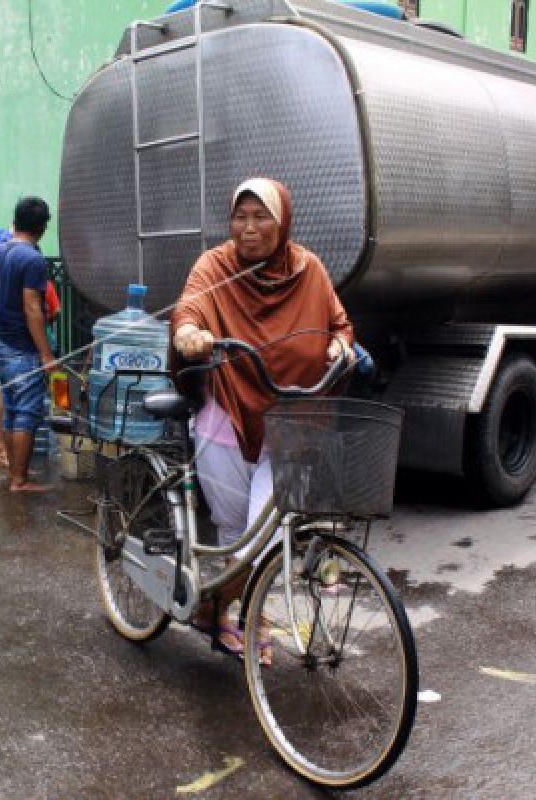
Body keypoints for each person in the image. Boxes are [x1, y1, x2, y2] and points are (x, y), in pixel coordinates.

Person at [171, 178, 354, 658]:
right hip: (228, 418)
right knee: (235, 533)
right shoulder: (215, 265)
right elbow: (190, 306)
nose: (248, 229)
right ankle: (246, 614)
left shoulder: (308, 269)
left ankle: (220, 608)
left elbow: (339, 323)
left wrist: (340, 344)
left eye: (260, 217)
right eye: (240, 217)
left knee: (264, 539)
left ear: (283, 220)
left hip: (290, 424)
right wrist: (189, 332)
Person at [0, 197, 55, 491]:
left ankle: (15, 474)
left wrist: (2, 306)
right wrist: (46, 353)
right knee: (27, 412)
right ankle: (19, 480)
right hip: (22, 345)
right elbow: (33, 307)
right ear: (43, 227)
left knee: (11, 408)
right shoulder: (32, 258)